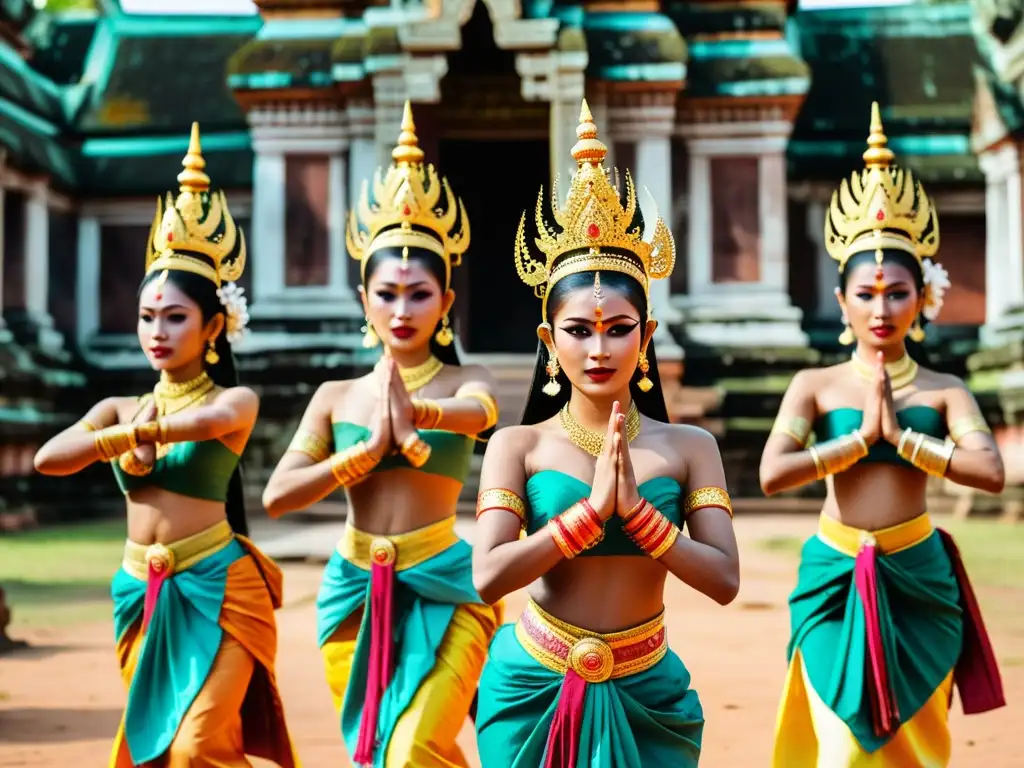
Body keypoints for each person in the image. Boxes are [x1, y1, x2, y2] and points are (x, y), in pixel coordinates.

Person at [471, 100, 740, 768]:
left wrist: (642, 520)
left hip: (648, 685)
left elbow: (726, 579)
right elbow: (488, 577)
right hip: (533, 679)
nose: (599, 348)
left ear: (646, 338)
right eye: (579, 330)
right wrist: (586, 518)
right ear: (547, 340)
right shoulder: (518, 446)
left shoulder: (689, 448)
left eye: (619, 328)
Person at [33, 124, 297, 768]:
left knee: (199, 746)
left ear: (212, 327)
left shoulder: (232, 402)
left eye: (174, 316)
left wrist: (135, 437)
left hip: (220, 584)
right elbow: (48, 459)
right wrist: (125, 431)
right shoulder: (117, 405)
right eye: (148, 316)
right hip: (141, 588)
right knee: (158, 750)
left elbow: (205, 426)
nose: (157, 330)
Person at [762, 103, 1006, 768]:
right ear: (841, 302)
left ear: (922, 300)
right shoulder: (813, 385)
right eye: (865, 294)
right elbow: (772, 473)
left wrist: (904, 441)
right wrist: (855, 441)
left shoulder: (946, 389)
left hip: (918, 573)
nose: (880, 308)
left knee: (914, 752)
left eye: (897, 293)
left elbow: (990, 473)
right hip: (835, 572)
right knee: (842, 749)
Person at [261, 101, 502, 768]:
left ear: (447, 303)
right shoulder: (336, 397)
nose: (402, 310)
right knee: (382, 754)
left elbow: (480, 415)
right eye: (387, 294)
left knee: (415, 746)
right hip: (352, 589)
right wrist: (363, 454)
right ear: (363, 299)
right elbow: (280, 497)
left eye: (420, 294)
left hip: (446, 582)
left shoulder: (464, 379)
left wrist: (417, 413)